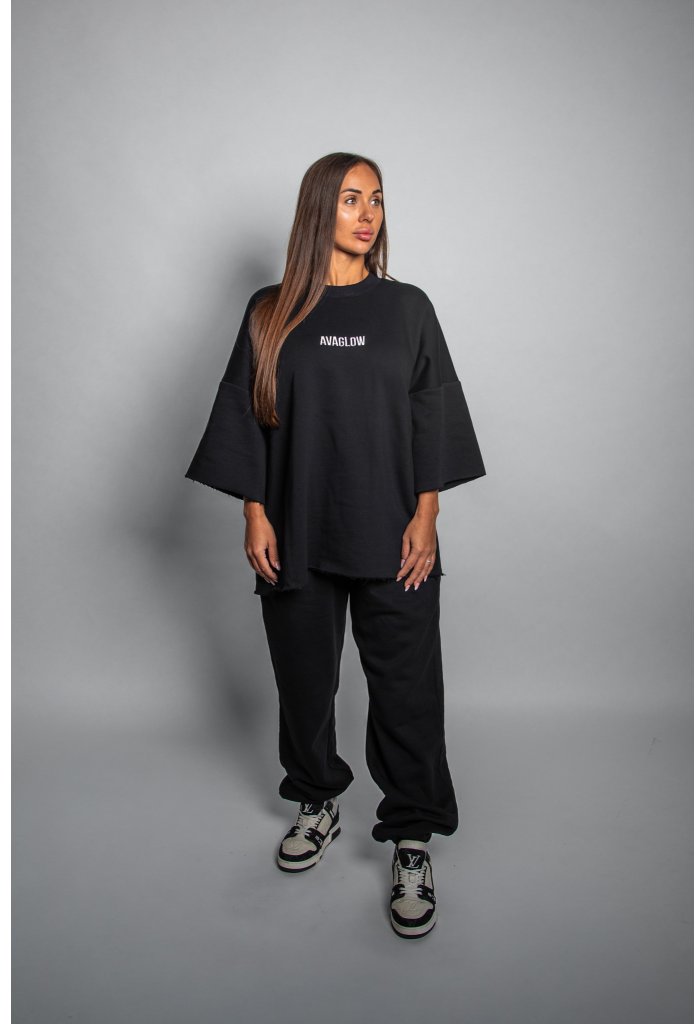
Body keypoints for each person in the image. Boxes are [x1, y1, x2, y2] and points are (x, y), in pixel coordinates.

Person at [185, 152, 486, 939]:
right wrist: (254, 513)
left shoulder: (407, 308)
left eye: (376, 200)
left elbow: (432, 409)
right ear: (320, 207)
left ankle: (411, 833)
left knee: (407, 690)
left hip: (394, 533)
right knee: (304, 681)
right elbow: (247, 413)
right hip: (297, 529)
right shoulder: (270, 310)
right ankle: (317, 799)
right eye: (351, 199)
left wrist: (427, 515)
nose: (367, 214)